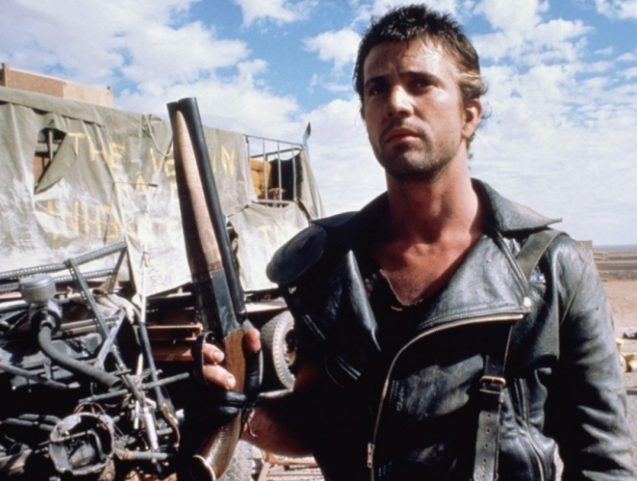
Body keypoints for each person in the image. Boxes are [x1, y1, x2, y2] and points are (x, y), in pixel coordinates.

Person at [201, 4, 636, 480]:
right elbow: (316, 422)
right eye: (377, 88)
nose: (396, 102)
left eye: (420, 83)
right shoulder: (329, 263)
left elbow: (602, 462)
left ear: (469, 115)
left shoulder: (552, 268)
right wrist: (238, 407)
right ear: (366, 115)